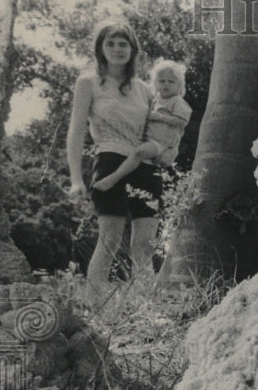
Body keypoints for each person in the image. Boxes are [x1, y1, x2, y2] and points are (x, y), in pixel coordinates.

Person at [66, 19, 162, 300]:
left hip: (146, 167)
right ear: (100, 48)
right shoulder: (88, 82)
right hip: (109, 162)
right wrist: (76, 178)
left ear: (133, 50)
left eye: (124, 44)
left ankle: (145, 311)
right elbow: (75, 131)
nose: (118, 49)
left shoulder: (145, 89)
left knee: (144, 245)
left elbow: (160, 132)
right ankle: (95, 310)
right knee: (109, 239)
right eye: (111, 43)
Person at [93, 60, 192, 192]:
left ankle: (112, 179)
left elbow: (182, 122)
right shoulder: (155, 100)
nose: (166, 84)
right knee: (138, 157)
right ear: (155, 83)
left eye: (171, 81)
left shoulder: (177, 101)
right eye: (162, 81)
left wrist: (160, 117)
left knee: (137, 153)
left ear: (179, 86)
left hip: (161, 143)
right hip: (148, 139)